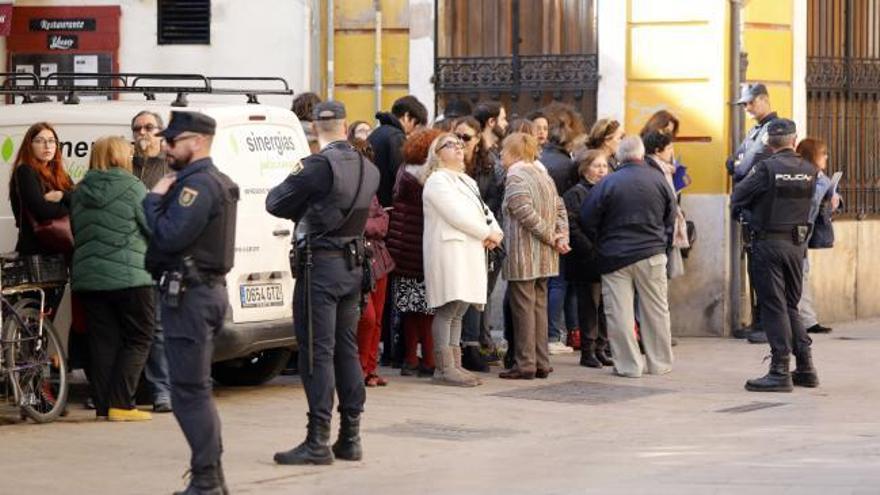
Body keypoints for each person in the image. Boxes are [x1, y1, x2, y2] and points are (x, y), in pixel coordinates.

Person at [266, 101, 380, 465]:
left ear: (314, 127)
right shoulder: (368, 166)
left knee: (317, 352)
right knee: (345, 350)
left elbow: (275, 201)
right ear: (346, 125)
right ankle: (351, 436)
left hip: (322, 267)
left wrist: (308, 207)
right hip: (353, 267)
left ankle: (317, 440)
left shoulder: (318, 165)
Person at [144, 111, 239, 494]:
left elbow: (168, 236)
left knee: (189, 391)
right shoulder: (215, 181)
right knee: (195, 389)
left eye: (173, 140)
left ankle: (206, 479)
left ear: (197, 141)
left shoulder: (196, 187)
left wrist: (152, 202)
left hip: (191, 296)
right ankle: (210, 476)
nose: (166, 147)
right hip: (204, 292)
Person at [71, 136, 155, 422]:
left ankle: (104, 405)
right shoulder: (133, 187)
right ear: (121, 157)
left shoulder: (79, 191)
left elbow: (76, 230)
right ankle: (123, 403)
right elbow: (150, 227)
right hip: (131, 276)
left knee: (103, 341)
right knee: (140, 336)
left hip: (89, 279)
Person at [731, 119, 818, 392]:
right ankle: (805, 367)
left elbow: (739, 196)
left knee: (774, 306)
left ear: (768, 142)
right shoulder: (809, 169)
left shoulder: (766, 168)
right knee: (790, 306)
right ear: (794, 140)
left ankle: (779, 370)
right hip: (796, 246)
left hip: (768, 245)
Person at [581, 136, 676, 378]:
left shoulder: (608, 182)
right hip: (652, 254)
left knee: (619, 313)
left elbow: (587, 218)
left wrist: (602, 241)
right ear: (642, 155)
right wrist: (660, 241)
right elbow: (671, 215)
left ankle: (628, 366)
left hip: (615, 257)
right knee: (656, 310)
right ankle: (660, 363)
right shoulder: (659, 180)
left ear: (619, 157)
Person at [422, 133, 503, 386]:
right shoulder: (437, 180)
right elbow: (456, 214)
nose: (458, 148)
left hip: (469, 250)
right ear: (437, 153)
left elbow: (484, 211)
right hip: (450, 251)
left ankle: (455, 364)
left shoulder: (467, 180)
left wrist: (496, 232)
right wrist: (485, 233)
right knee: (448, 308)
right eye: (450, 145)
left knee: (459, 310)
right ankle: (445, 367)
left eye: (460, 145)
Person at [499, 132, 570, 380]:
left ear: (515, 152)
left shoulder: (516, 174)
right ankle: (541, 362)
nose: (500, 156)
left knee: (524, 309)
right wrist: (561, 236)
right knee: (539, 308)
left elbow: (522, 210)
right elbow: (560, 207)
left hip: (524, 253)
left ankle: (525, 364)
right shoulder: (543, 174)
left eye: (503, 151)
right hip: (545, 255)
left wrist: (552, 236)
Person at [385, 128, 443, 376]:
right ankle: (429, 360)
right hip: (420, 250)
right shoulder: (427, 178)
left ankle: (411, 359)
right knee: (427, 311)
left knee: (409, 308)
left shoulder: (403, 171)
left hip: (401, 250)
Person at [728, 83, 779, 344]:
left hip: (763, 208)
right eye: (744, 104)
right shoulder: (755, 130)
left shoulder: (773, 129)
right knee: (754, 268)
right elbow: (733, 162)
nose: (746, 108)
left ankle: (764, 324)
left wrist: (739, 164)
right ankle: (757, 321)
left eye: (749, 103)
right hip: (750, 208)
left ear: (763, 100)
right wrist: (739, 163)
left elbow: (747, 164)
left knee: (763, 271)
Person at [454, 116, 505, 371]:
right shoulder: (450, 166)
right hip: (459, 237)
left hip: (484, 238)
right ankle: (463, 345)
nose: (460, 142)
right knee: (459, 293)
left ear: (477, 140)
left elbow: (494, 202)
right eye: (457, 137)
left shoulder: (490, 166)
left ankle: (475, 344)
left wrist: (487, 232)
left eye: (466, 137)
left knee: (479, 294)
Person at [131, 110, 173, 414]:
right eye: (137, 128)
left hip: (160, 255)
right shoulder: (126, 165)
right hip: (130, 258)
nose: (142, 133)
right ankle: (126, 391)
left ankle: (162, 391)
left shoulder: (170, 167)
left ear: (160, 132)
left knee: (158, 329)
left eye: (149, 127)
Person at [541, 103, 585, 354]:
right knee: (559, 284)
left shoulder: (543, 159)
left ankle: (555, 334)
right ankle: (552, 336)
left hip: (543, 228)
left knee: (555, 284)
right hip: (558, 229)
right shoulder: (565, 165)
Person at [563, 147, 612, 368]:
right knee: (589, 306)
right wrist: (591, 250)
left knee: (604, 306)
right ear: (585, 169)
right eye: (597, 166)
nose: (602, 170)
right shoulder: (576, 193)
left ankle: (601, 347)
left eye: (604, 165)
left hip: (606, 256)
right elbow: (572, 226)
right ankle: (588, 350)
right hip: (585, 259)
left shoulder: (609, 190)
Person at [795, 138, 841, 335]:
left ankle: (807, 320)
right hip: (795, 230)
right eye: (823, 154)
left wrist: (834, 198)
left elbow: (827, 200)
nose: (826, 157)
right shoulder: (809, 177)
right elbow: (810, 203)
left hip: (804, 231)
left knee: (802, 272)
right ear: (812, 155)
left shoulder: (821, 177)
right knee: (797, 273)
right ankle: (802, 320)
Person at [8, 122, 74, 258]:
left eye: (51, 141)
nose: (47, 146)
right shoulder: (25, 171)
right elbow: (42, 210)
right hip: (36, 254)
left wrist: (61, 195)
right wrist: (69, 207)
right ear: (29, 145)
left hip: (61, 249)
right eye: (39, 141)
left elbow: (79, 199)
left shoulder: (60, 174)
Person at [643, 131, 690, 278]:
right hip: (660, 232)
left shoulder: (666, 169)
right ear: (657, 151)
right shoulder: (657, 170)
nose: (672, 152)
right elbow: (666, 201)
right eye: (669, 148)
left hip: (663, 231)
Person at [369, 95, 429, 206]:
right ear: (407, 116)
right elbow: (400, 174)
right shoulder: (396, 136)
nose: (414, 131)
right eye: (416, 124)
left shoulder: (378, 131)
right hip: (387, 204)